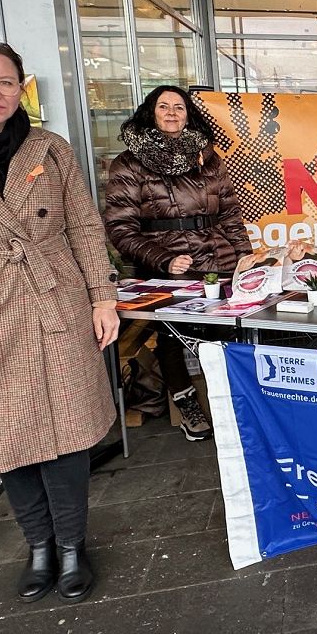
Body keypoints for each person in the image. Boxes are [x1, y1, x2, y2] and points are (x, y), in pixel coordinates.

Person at [0, 39, 120, 604]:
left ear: (22, 88)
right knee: (3, 435)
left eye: (7, 81)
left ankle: (70, 547)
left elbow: (84, 228)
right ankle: (38, 544)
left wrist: (101, 297)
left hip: (52, 300)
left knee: (66, 434)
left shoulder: (50, 149)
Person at [103, 85, 252, 441]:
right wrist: (164, 260)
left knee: (226, 331)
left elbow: (229, 212)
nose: (172, 112)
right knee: (174, 335)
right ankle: (187, 405)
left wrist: (245, 254)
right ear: (150, 113)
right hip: (165, 264)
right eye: (163, 106)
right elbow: (120, 228)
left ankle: (232, 402)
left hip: (218, 257)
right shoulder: (130, 162)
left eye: (179, 107)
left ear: (189, 114)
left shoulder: (208, 157)